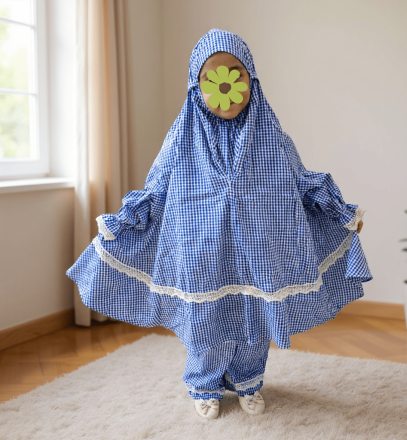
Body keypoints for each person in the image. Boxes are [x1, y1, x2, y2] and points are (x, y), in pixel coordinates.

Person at [66, 28, 371, 421]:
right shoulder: (181, 139)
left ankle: (248, 379)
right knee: (204, 319)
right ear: (196, 86)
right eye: (212, 77)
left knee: (254, 316)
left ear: (252, 80)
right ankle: (205, 384)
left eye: (235, 74)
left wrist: (340, 212)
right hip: (201, 246)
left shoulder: (272, 137)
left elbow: (301, 180)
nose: (225, 85)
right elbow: (156, 188)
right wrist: (124, 222)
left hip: (260, 247)